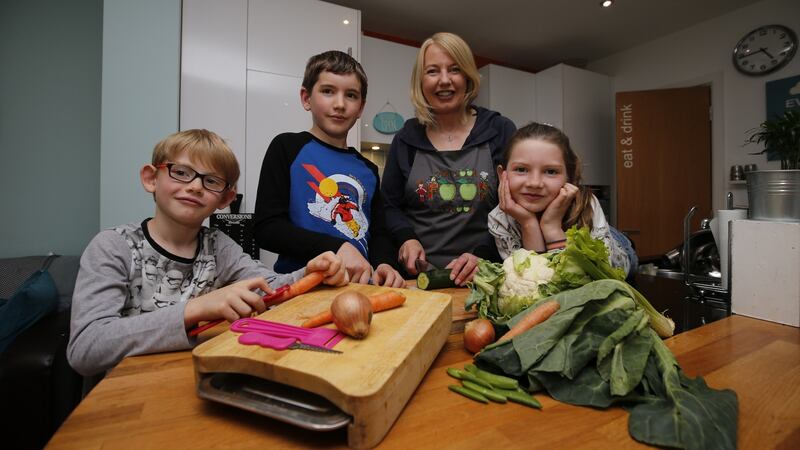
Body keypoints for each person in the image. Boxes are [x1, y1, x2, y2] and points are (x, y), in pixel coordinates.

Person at [67, 129, 348, 377]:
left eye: (211, 181)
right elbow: (86, 348)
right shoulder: (113, 247)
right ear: (151, 178)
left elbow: (268, 288)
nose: (195, 186)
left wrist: (309, 273)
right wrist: (193, 310)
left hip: (189, 381)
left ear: (225, 198)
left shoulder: (218, 246)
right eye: (180, 172)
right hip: (126, 399)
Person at [253, 50, 404, 288]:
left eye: (351, 95)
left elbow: (379, 234)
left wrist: (385, 263)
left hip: (359, 289)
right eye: (328, 91)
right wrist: (338, 247)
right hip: (301, 288)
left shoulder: (368, 169)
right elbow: (267, 228)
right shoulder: (287, 147)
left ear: (361, 108)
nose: (340, 104)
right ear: (306, 98)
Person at [381, 32, 516, 286]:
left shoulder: (499, 130)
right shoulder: (406, 139)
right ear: (421, 81)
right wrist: (405, 238)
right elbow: (390, 205)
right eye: (432, 71)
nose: (444, 80)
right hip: (418, 279)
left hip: (487, 277)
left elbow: (515, 205)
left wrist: (483, 254)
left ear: (467, 76)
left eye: (454, 69)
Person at [489, 122, 635, 275]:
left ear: (569, 177)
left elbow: (597, 279)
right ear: (502, 175)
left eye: (550, 171)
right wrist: (529, 224)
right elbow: (534, 280)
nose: (534, 183)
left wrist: (551, 227)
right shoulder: (499, 218)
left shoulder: (587, 204)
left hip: (617, 251)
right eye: (521, 169)